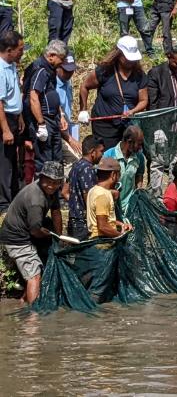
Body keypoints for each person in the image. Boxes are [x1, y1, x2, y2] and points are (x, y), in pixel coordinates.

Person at [0, 161, 64, 304]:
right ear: (41, 178)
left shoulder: (52, 191)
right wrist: (49, 234)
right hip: (16, 239)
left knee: (36, 269)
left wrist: (59, 238)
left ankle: (23, 302)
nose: (52, 186)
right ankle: (33, 318)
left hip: (28, 233)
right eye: (49, 182)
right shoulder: (36, 199)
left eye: (56, 183)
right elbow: (35, 231)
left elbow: (56, 212)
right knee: (34, 276)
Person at [78, 36, 148, 150]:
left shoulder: (139, 75)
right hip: (104, 125)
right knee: (106, 157)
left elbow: (143, 100)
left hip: (127, 125)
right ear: (118, 54)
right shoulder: (105, 71)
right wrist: (83, 110)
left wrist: (133, 111)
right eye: (127, 58)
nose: (130, 62)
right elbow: (84, 86)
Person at [146, 46, 177, 193]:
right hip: (163, 128)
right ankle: (156, 197)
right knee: (158, 164)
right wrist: (156, 128)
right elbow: (152, 104)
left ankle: (171, 195)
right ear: (169, 58)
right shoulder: (157, 73)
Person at [23, 39, 67, 172]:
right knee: (45, 161)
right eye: (62, 59)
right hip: (43, 120)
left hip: (53, 119)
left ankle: (56, 191)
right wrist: (41, 124)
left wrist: (62, 115)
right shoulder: (41, 69)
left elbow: (51, 93)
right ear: (52, 55)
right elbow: (34, 97)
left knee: (57, 158)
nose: (63, 62)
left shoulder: (51, 69)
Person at [0, 30, 24, 212]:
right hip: (4, 119)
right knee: (5, 163)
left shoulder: (12, 65)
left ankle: (14, 198)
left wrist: (20, 115)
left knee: (14, 162)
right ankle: (4, 204)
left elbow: (14, 93)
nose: (22, 53)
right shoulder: (0, 69)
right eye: (20, 49)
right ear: (9, 50)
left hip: (14, 117)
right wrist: (6, 129)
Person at [66, 135, 104, 241]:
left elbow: (65, 191)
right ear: (93, 152)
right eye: (101, 151)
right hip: (83, 224)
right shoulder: (88, 169)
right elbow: (89, 198)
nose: (102, 155)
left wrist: (75, 205)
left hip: (73, 220)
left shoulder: (76, 165)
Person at [86, 157, 131, 242]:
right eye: (119, 174)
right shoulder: (102, 195)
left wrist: (121, 224)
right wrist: (121, 236)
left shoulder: (93, 190)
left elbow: (104, 219)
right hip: (102, 243)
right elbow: (103, 226)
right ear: (113, 175)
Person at [103, 125, 144, 216]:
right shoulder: (108, 156)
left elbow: (139, 176)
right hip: (111, 207)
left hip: (129, 208)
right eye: (139, 144)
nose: (141, 148)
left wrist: (139, 192)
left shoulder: (139, 157)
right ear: (129, 142)